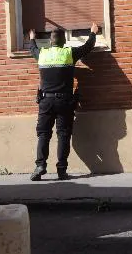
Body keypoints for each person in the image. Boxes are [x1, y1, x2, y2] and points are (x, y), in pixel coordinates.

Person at [28, 23, 98, 181]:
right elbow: (87, 47)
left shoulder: (42, 54)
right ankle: (61, 170)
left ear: (51, 42)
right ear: (64, 42)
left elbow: (32, 49)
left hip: (45, 101)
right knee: (63, 135)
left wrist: (32, 38)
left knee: (44, 135)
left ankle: (40, 166)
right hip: (64, 101)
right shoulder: (69, 53)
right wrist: (93, 33)